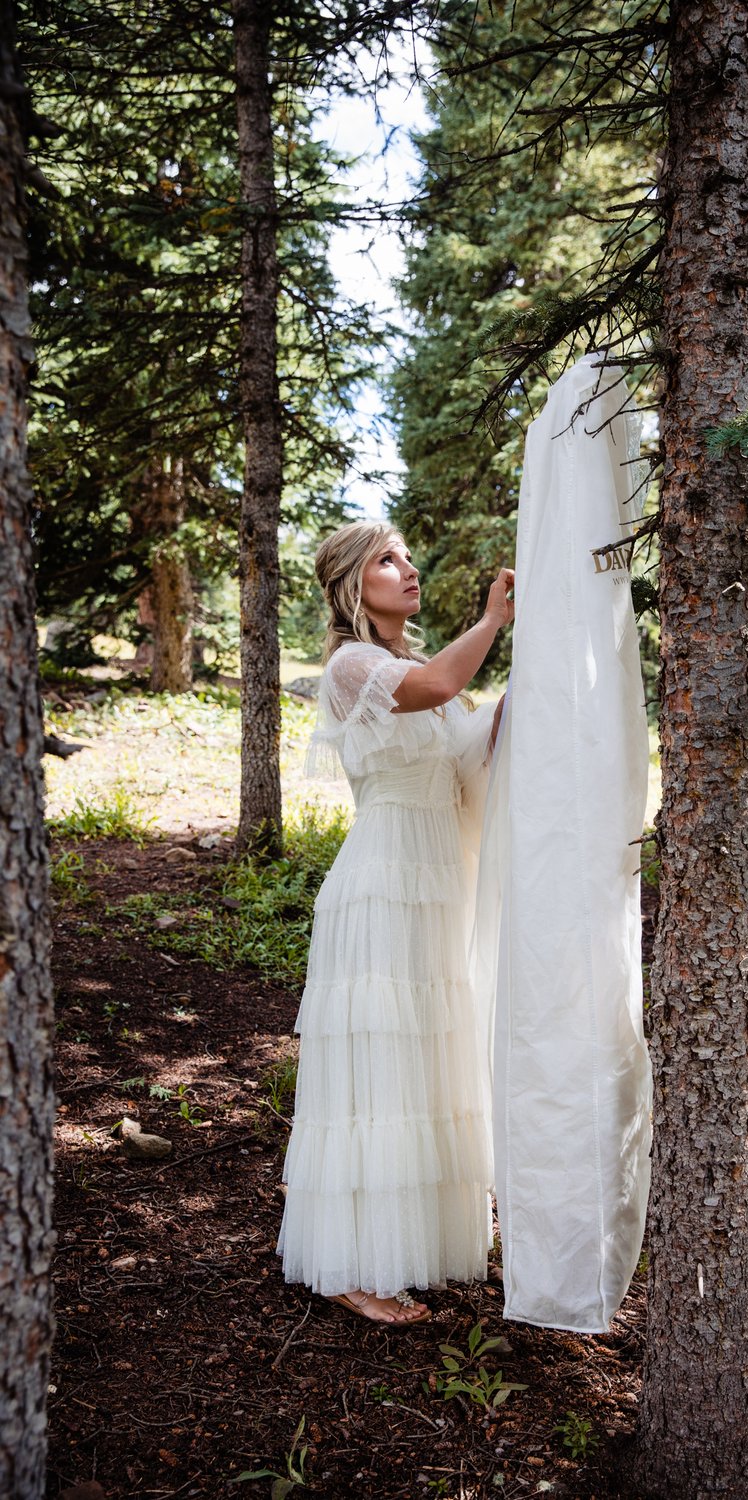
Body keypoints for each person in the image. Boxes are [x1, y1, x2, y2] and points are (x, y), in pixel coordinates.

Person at [277, 519, 514, 1326]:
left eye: (408, 556)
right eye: (388, 559)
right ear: (353, 582)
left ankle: (417, 1240)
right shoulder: (351, 666)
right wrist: (491, 623)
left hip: (440, 878)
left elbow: (467, 749)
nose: (408, 569)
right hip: (382, 881)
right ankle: (352, 1263)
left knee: (429, 1062)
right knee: (376, 1074)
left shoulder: (412, 660)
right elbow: (440, 693)